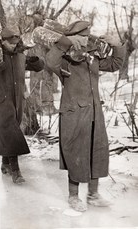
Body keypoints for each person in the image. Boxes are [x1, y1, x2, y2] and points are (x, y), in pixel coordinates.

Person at [45, 21, 126, 211]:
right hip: (74, 114)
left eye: (87, 36)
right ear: (73, 37)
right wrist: (65, 42)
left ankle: (93, 194)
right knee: (75, 153)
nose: (86, 39)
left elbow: (115, 64)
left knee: (96, 151)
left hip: (94, 113)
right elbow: (50, 61)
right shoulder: (64, 59)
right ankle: (74, 197)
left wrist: (117, 45)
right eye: (81, 36)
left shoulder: (91, 57)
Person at [0, 26, 44, 184]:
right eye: (10, 43)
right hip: (2, 101)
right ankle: (16, 171)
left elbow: (39, 67)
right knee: (12, 132)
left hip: (18, 100)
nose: (13, 45)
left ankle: (5, 163)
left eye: (16, 42)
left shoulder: (20, 55)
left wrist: (36, 61)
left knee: (9, 131)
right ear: (2, 41)